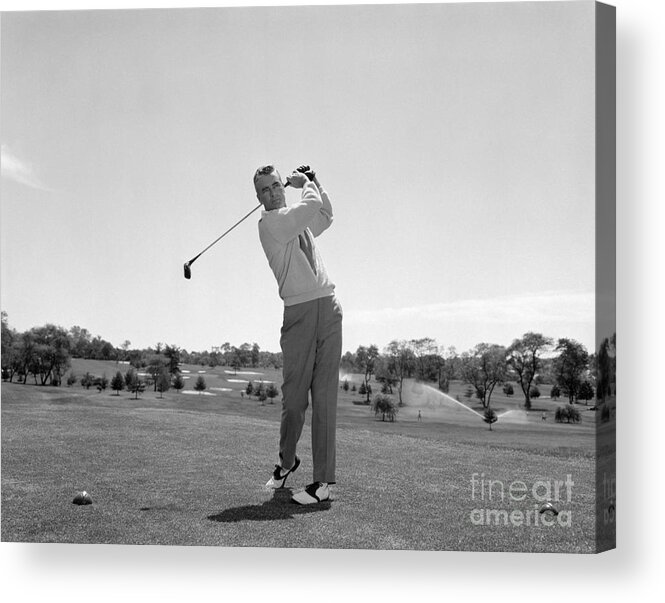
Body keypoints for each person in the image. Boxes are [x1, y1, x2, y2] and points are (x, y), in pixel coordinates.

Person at [254, 164, 343, 505]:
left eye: (277, 186)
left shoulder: (295, 218)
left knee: (324, 397)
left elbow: (326, 214)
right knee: (294, 400)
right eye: (266, 189)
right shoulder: (271, 224)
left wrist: (316, 180)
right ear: (259, 197)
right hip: (299, 313)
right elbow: (309, 208)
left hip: (329, 307)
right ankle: (286, 463)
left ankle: (322, 484)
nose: (273, 192)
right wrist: (305, 184)